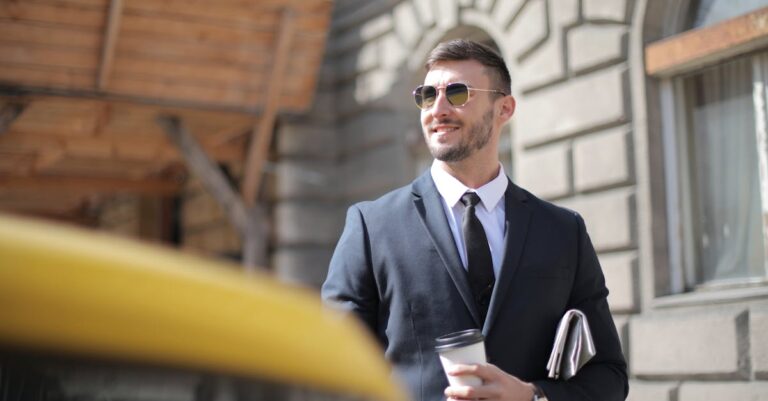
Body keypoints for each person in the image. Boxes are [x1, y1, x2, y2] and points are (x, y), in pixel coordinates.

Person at [322, 39, 628, 401]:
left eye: (456, 93)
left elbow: (609, 376)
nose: (437, 109)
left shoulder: (564, 231)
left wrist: (533, 396)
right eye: (426, 95)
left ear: (504, 108)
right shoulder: (371, 226)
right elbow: (333, 369)